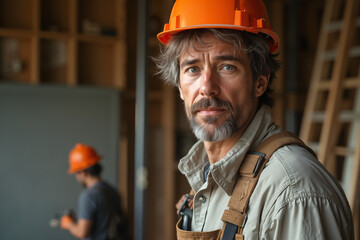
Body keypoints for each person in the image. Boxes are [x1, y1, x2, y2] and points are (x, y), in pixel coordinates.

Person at [155, 0, 354, 239]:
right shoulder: (206, 177)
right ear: (179, 87)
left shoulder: (293, 192)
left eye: (227, 67)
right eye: (193, 69)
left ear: (260, 81)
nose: (207, 88)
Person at [61, 143, 129, 240]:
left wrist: (68, 224)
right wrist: (79, 216)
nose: (76, 177)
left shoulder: (88, 196)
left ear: (83, 173)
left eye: (76, 173)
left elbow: (82, 233)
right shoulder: (113, 191)